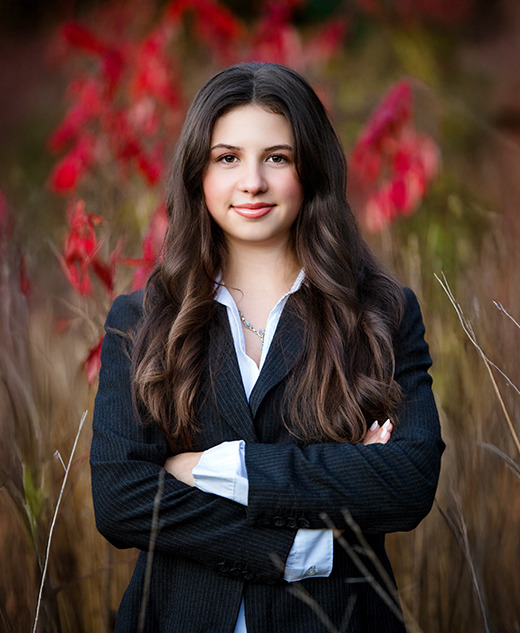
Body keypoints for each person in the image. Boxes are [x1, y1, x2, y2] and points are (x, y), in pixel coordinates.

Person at [90, 61, 444, 633]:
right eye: (227, 158)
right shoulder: (140, 321)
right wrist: (298, 546)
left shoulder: (381, 314)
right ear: (197, 174)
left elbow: (407, 483)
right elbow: (121, 500)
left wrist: (221, 466)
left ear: (310, 169)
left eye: (276, 157)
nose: (251, 181)